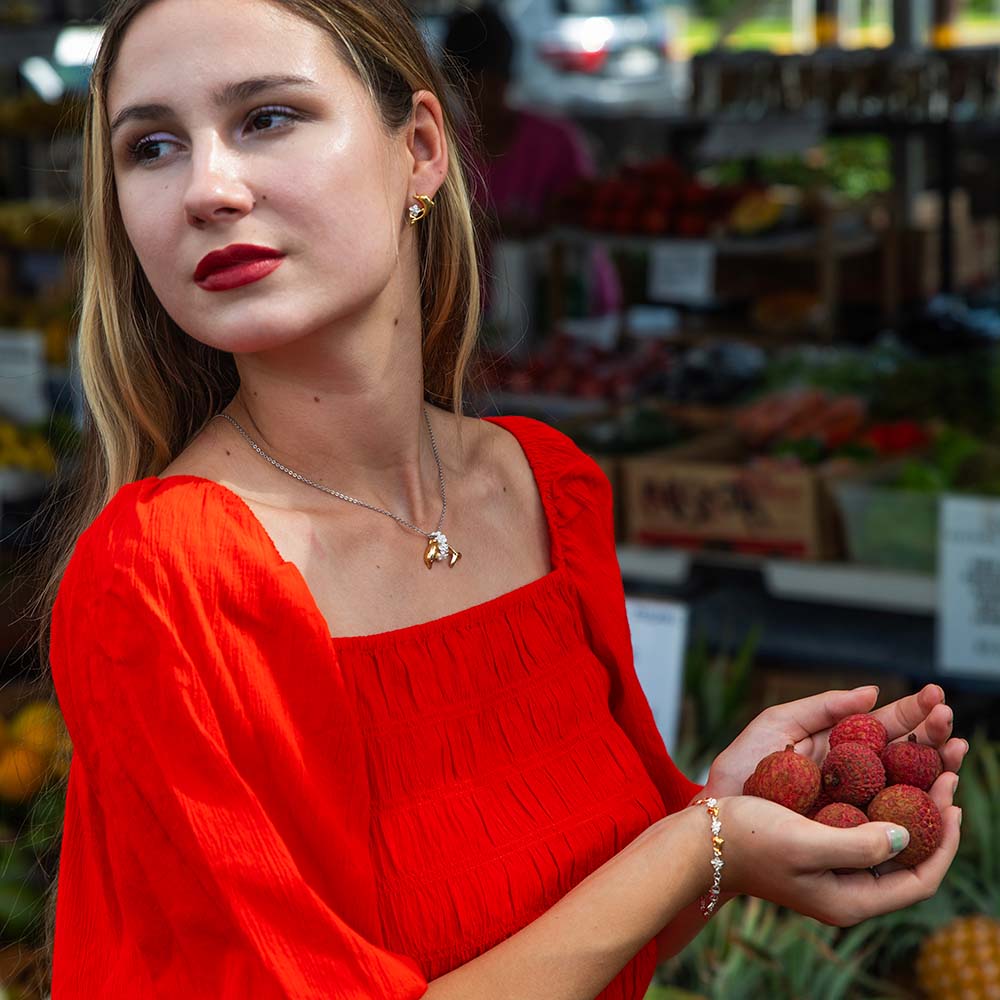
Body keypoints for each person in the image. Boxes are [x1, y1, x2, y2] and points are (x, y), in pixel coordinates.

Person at [38, 0, 966, 997]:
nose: (207, 190)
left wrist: (725, 819)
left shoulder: (547, 490)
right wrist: (699, 843)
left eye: (266, 117)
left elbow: (594, 947)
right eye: (153, 147)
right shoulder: (165, 577)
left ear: (421, 151)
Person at [441, 3, 622, 317]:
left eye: (486, 81)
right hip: (485, 318)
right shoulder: (449, 147)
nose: (475, 95)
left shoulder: (556, 143)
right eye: (463, 84)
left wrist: (535, 225)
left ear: (504, 78)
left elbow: (589, 215)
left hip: (567, 309)